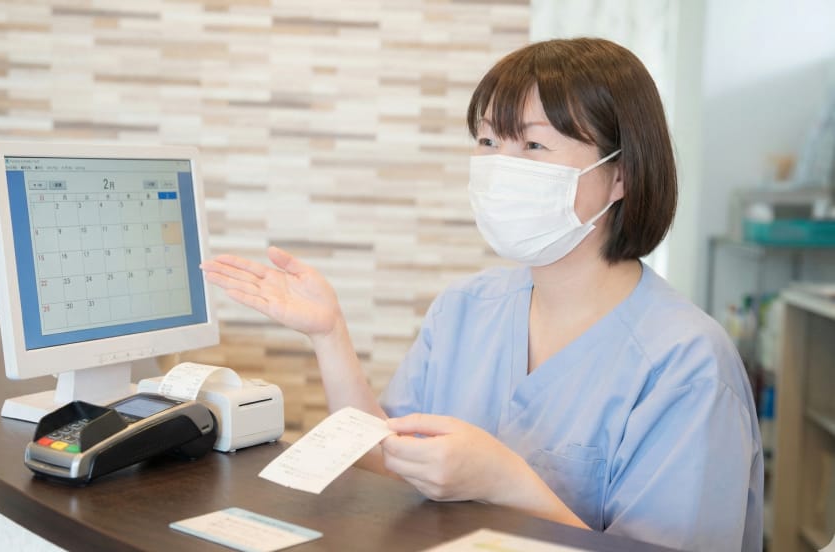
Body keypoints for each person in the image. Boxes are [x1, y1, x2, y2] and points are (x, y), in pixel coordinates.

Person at [201, 37, 762, 552]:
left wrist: (508, 482)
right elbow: (386, 461)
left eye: (534, 144)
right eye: (489, 141)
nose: (501, 168)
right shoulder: (465, 309)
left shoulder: (687, 367)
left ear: (621, 176)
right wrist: (330, 336)